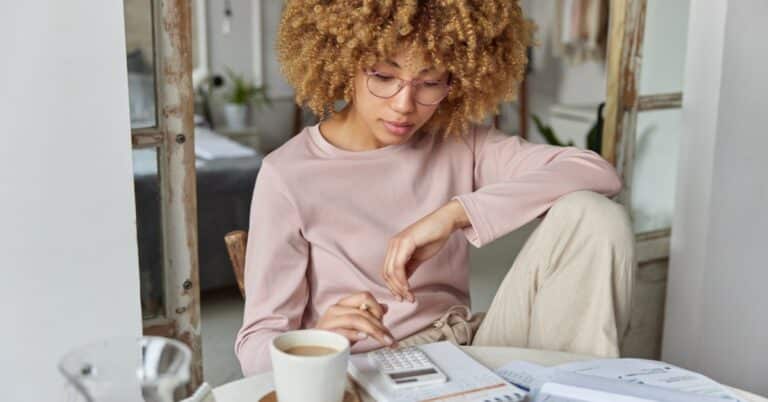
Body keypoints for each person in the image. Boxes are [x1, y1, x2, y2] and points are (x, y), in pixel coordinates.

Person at [235, 0, 635, 376]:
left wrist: (454, 215)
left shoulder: (460, 142)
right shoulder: (287, 174)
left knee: (594, 215)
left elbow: (596, 172)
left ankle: (579, 389)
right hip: (369, 368)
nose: (404, 104)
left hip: (468, 347)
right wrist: (319, 339)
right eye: (384, 76)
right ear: (343, 62)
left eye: (429, 82)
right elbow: (255, 348)